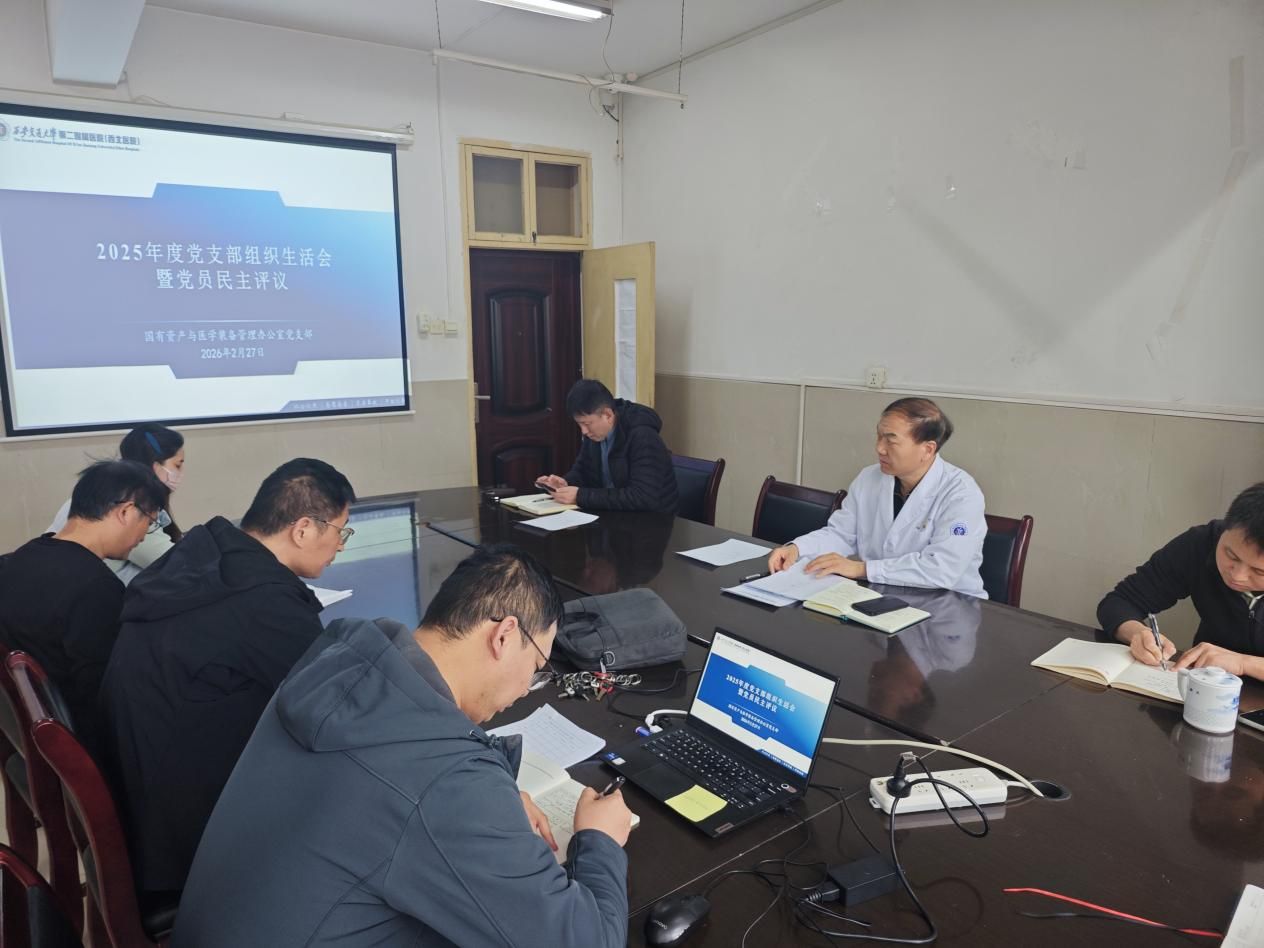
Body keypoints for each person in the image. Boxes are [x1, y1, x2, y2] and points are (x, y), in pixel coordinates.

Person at [170, 544, 632, 948]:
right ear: (504, 635)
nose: (526, 688)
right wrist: (600, 841)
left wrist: (495, 793)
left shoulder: (342, 662)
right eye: (536, 667)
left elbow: (399, 789)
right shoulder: (447, 785)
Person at [99, 457, 356, 897]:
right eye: (340, 532)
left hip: (136, 791)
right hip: (182, 843)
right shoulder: (265, 603)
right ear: (303, 529)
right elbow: (336, 710)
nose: (341, 547)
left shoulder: (207, 549)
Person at [0, 460, 167, 756]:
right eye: (150, 522)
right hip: (81, 747)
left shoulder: (18, 559)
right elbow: (108, 700)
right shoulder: (96, 588)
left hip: (30, 735)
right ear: (126, 512)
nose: (144, 535)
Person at [768, 397, 988, 598]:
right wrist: (797, 549)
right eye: (879, 436)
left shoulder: (961, 494)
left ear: (928, 450)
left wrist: (862, 569)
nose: (879, 448)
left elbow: (942, 568)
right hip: (882, 595)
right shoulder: (869, 478)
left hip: (948, 604)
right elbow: (841, 534)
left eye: (891, 441)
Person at [1098, 482, 1264, 679]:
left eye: (1259, 571)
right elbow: (1120, 601)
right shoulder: (1201, 543)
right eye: (1231, 555)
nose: (1237, 576)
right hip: (1201, 684)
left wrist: (1244, 663)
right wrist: (1136, 633)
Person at [47, 423, 186, 584]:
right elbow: (180, 564)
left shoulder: (98, 491)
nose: (181, 472)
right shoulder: (136, 511)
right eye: (178, 465)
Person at [536, 379, 678, 513]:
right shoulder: (595, 434)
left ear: (608, 415)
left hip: (652, 521)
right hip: (614, 515)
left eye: (587, 424)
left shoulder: (643, 436)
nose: (584, 431)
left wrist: (581, 496)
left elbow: (643, 497)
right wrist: (565, 483)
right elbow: (583, 471)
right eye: (579, 424)